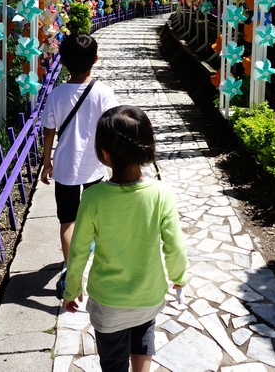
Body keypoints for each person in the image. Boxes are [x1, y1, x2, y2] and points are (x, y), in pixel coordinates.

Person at [62, 105, 188, 372]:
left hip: (108, 302)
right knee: (143, 340)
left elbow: (79, 251)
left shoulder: (93, 198)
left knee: (113, 362)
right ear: (147, 147)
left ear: (105, 153)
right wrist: (179, 277)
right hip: (148, 296)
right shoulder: (162, 193)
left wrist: (72, 289)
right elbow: (175, 246)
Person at [41, 32, 117, 298]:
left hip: (64, 167)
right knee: (94, 217)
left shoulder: (56, 94)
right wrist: (112, 161)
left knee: (68, 221)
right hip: (95, 165)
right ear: (96, 59)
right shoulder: (104, 93)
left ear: (62, 62)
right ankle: (97, 265)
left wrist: (46, 162)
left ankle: (70, 273)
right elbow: (111, 129)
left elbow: (49, 131)